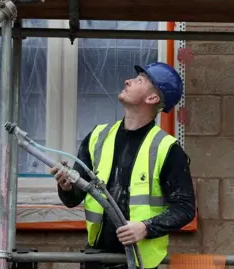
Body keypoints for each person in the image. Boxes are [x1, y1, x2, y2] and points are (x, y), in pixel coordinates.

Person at [50, 62, 196, 269]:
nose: (128, 81)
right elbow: (73, 199)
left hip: (139, 262)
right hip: (97, 259)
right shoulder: (98, 137)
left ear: (152, 98)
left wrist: (145, 228)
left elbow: (185, 208)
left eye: (139, 81)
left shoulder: (167, 148)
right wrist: (66, 187)